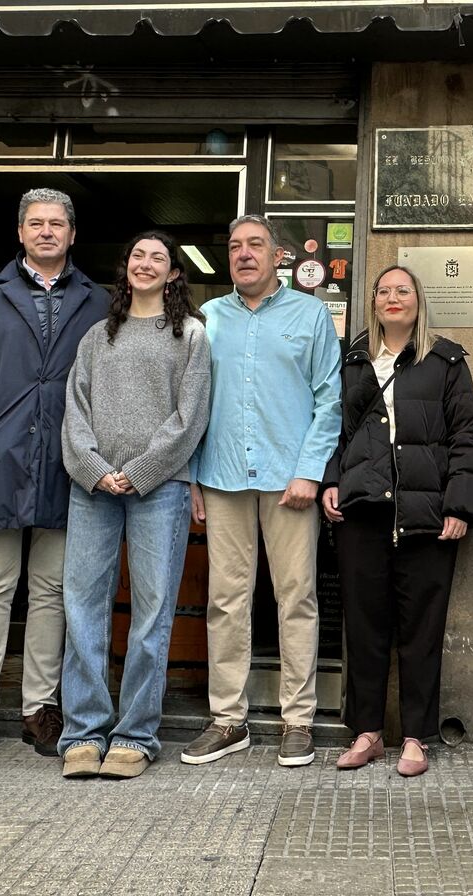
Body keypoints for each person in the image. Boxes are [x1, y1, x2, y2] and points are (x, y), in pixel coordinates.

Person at [0, 188, 110, 767]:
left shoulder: (98, 300)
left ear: (73, 235)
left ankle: (39, 707)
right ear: (19, 232)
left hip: (68, 460)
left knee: (52, 589)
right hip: (0, 455)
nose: (46, 231)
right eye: (35, 223)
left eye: (57, 223)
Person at [180, 214, 341, 768]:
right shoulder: (207, 319)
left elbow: (329, 399)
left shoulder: (311, 313)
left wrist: (309, 471)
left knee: (295, 599)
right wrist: (193, 475)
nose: (244, 254)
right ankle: (229, 720)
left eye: (255, 245)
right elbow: (192, 403)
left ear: (279, 257)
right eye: (234, 246)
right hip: (221, 477)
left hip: (287, 481)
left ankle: (298, 721)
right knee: (226, 601)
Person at [58, 231, 211, 780]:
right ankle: (81, 731)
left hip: (160, 489)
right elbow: (75, 411)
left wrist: (140, 472)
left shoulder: (190, 335)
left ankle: (135, 733)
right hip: (92, 488)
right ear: (126, 269)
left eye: (159, 258)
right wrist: (98, 472)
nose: (146, 265)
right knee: (83, 606)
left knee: (151, 613)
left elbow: (189, 418)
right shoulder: (98, 337)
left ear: (174, 273)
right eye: (137, 256)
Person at [321, 265, 473, 778]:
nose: (394, 298)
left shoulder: (446, 360)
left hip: (427, 515)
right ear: (373, 301)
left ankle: (417, 736)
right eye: (385, 291)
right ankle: (366, 732)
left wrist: (459, 505)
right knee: (364, 626)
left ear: (418, 300)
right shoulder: (353, 358)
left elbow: (467, 435)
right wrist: (331, 481)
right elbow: (333, 428)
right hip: (363, 510)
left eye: (403, 290)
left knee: (422, 630)